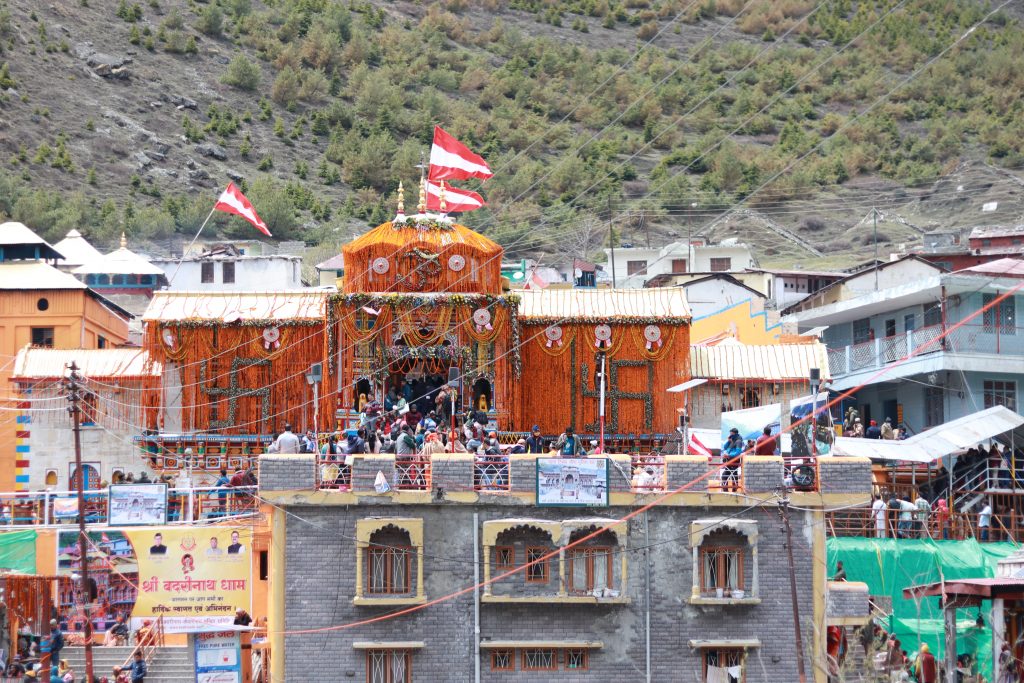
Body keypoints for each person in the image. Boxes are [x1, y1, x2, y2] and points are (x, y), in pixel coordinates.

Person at [722, 428, 743, 492]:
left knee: (733, 475)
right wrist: (728, 440)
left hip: (734, 461)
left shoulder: (738, 441)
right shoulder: (732, 441)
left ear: (735, 434)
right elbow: (725, 447)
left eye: (731, 434)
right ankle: (726, 491)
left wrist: (729, 455)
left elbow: (738, 452)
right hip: (728, 460)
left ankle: (734, 490)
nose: (730, 435)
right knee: (725, 475)